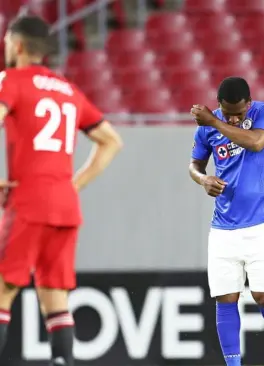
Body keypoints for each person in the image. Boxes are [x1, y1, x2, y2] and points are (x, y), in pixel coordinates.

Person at [0, 15, 123, 366]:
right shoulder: (68, 89)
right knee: (55, 300)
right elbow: (111, 141)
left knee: (2, 291)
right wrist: (75, 184)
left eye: (8, 42)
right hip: (65, 207)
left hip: (27, 202)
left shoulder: (10, 80)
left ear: (18, 45)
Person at [189, 76, 264, 366]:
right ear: (219, 105)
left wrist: (216, 122)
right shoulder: (207, 129)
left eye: (239, 113)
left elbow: (257, 143)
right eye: (227, 113)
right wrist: (203, 179)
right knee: (225, 298)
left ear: (249, 103)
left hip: (263, 222)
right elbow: (195, 164)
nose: (234, 119)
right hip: (223, 225)